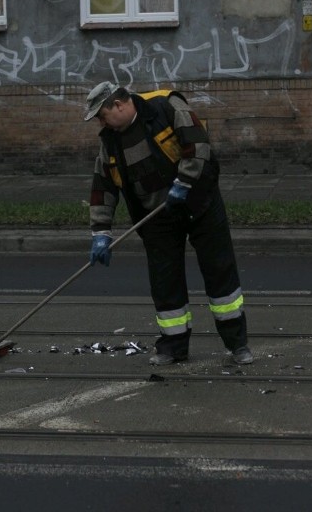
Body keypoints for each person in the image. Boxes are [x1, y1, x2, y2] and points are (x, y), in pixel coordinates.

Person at [82, 82, 253, 366]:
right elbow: (103, 186)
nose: (101, 123)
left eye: (101, 115)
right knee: (165, 280)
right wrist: (100, 233)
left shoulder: (165, 106)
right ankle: (173, 347)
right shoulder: (110, 140)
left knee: (219, 270)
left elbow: (198, 145)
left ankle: (237, 344)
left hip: (200, 203)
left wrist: (184, 182)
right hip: (157, 215)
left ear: (119, 105)